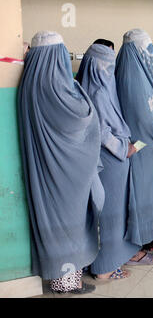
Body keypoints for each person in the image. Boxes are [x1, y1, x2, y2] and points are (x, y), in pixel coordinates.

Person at [18, 31, 103, 294]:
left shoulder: (30, 82)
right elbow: (81, 116)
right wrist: (77, 87)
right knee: (69, 224)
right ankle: (66, 284)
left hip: (45, 171)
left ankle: (64, 279)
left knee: (55, 223)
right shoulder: (55, 87)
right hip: (66, 175)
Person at [76, 41, 142, 279]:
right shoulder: (97, 91)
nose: (108, 70)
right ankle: (104, 268)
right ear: (93, 66)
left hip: (116, 161)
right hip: (109, 161)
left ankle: (109, 261)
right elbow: (102, 132)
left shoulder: (103, 87)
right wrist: (124, 149)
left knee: (113, 215)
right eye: (105, 65)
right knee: (109, 216)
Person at [115, 29, 153, 263]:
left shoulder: (134, 73)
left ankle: (140, 243)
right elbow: (145, 121)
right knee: (139, 197)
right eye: (146, 51)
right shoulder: (134, 78)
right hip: (141, 149)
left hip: (143, 147)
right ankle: (135, 248)